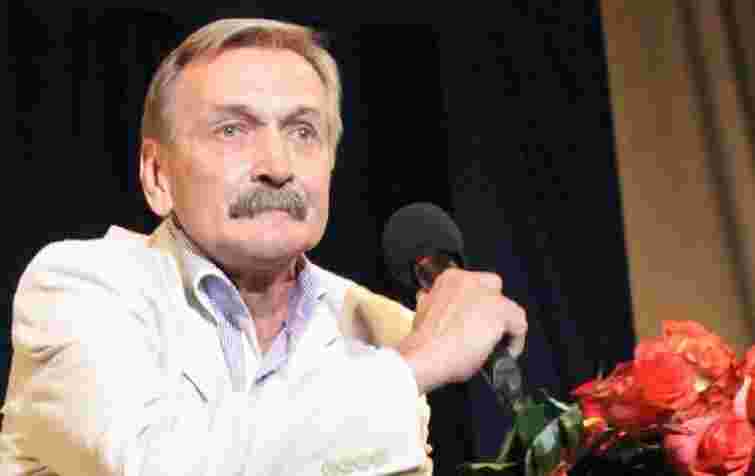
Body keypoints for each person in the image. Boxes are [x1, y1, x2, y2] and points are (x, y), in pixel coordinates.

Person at [0, 18, 527, 475]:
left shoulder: (379, 326)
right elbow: (153, 463)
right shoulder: (79, 287)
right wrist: (415, 365)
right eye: (232, 130)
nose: (277, 166)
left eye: (303, 132)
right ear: (157, 175)